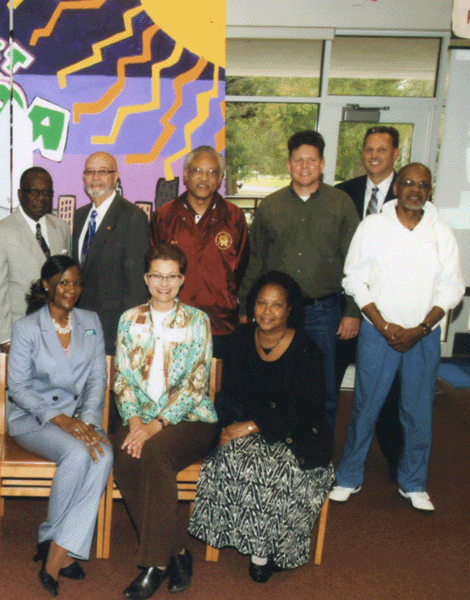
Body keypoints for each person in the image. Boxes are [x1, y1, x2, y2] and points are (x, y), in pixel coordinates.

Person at [331, 163, 464, 512]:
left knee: (418, 412)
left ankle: (414, 483)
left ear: (430, 191)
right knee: (365, 407)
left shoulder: (441, 232)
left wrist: (421, 328)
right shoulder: (373, 227)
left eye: (423, 185)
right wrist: (382, 324)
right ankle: (348, 477)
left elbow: (453, 287)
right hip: (379, 333)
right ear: (396, 188)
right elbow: (353, 279)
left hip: (424, 335)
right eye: (408, 183)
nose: (415, 190)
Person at [189, 271, 333, 583]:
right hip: (247, 426)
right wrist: (229, 427)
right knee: (232, 457)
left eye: (277, 305)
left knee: (273, 469)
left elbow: (306, 408)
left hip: (297, 434)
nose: (267, 312)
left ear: (290, 309)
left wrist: (254, 425)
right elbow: (228, 395)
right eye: (261, 303)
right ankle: (242, 535)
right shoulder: (241, 340)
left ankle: (263, 552)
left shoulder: (306, 348)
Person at [112, 244, 218, 600]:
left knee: (154, 454)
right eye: (157, 276)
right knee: (123, 451)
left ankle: (154, 565)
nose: (164, 284)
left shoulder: (197, 320)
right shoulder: (129, 319)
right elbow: (122, 379)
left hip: (192, 419)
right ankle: (178, 552)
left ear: (182, 279)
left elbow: (196, 383)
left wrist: (154, 425)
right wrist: (135, 422)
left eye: (172, 276)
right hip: (140, 418)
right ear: (146, 279)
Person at [238, 130, 360, 430]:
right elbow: (256, 260)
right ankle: (280, 450)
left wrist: (352, 310)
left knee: (324, 389)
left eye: (311, 160)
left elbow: (357, 263)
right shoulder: (270, 206)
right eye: (298, 160)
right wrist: (245, 307)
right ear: (288, 164)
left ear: (322, 164)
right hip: (278, 314)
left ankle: (318, 451)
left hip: (324, 312)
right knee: (276, 385)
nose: (304, 167)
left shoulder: (341, 204)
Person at [7, 255, 113, 596]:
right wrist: (62, 420)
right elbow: (18, 388)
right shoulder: (27, 328)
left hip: (79, 417)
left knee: (103, 454)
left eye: (77, 283)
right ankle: (55, 549)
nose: (71, 290)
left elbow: (97, 379)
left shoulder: (90, 321)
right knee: (78, 454)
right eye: (63, 282)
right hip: (33, 418)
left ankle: (57, 545)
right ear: (46, 285)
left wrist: (89, 421)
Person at [335, 126, 403, 479]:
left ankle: (394, 458)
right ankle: (319, 454)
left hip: (388, 312)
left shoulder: (410, 194)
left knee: (388, 392)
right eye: (369, 149)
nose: (374, 155)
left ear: (395, 154)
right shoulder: (343, 193)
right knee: (328, 385)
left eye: (382, 149)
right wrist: (350, 308)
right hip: (343, 310)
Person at [152, 146, 248, 357]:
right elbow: (153, 272)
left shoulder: (234, 217)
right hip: (174, 322)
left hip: (220, 323)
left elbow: (241, 268)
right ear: (185, 175)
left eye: (212, 172)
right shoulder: (163, 217)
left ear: (220, 179)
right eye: (197, 171)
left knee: (218, 378)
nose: (204, 178)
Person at [0, 166, 71, 354]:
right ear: (20, 194)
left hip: (58, 338)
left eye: (47, 192)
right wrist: (5, 340)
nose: (41, 197)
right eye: (34, 192)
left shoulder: (61, 228)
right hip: (17, 338)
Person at [73, 152, 150, 354]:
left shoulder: (132, 217)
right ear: (83, 177)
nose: (95, 177)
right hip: (80, 325)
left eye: (103, 172)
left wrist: (127, 332)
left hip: (113, 329)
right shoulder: (79, 216)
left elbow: (137, 286)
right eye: (90, 171)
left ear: (116, 177)